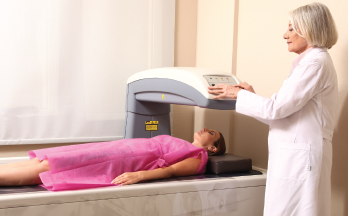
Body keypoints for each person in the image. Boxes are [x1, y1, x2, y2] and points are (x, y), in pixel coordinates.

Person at [208, 2, 338, 216]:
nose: (285, 35)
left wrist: (238, 94)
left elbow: (276, 110)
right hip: (296, 154)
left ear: (310, 29)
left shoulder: (315, 64)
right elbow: (283, 113)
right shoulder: (309, 63)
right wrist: (251, 95)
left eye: (291, 28)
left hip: (301, 157)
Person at [0, 128, 225, 191]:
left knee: (54, 165)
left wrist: (140, 175)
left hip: (125, 159)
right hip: (119, 148)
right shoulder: (183, 142)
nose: (206, 129)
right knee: (49, 158)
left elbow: (171, 171)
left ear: (212, 147)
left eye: (212, 132)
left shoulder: (199, 156)